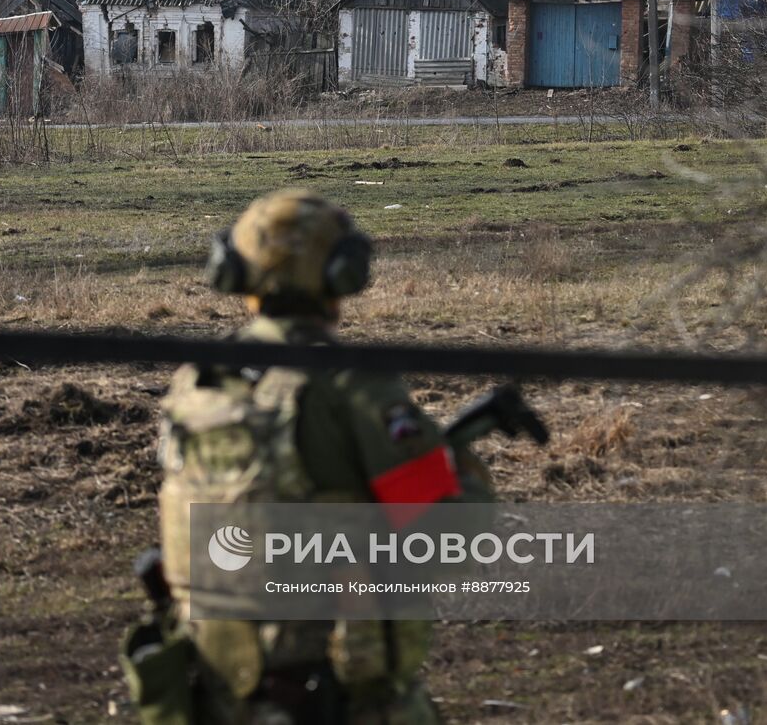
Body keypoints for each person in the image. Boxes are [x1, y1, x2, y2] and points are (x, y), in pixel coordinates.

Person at [123, 189, 495, 724]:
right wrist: (462, 463)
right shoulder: (352, 385)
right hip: (334, 701)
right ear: (344, 274)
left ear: (233, 270)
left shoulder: (196, 384)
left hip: (214, 695)